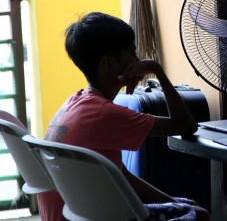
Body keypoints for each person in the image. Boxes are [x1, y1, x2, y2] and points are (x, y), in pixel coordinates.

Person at [37, 12, 210, 221]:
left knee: (186, 206)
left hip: (76, 215)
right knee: (198, 215)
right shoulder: (104, 114)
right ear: (109, 65)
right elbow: (186, 125)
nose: (138, 60)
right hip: (91, 216)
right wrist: (156, 70)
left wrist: (172, 200)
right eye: (132, 52)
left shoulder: (75, 102)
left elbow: (121, 175)